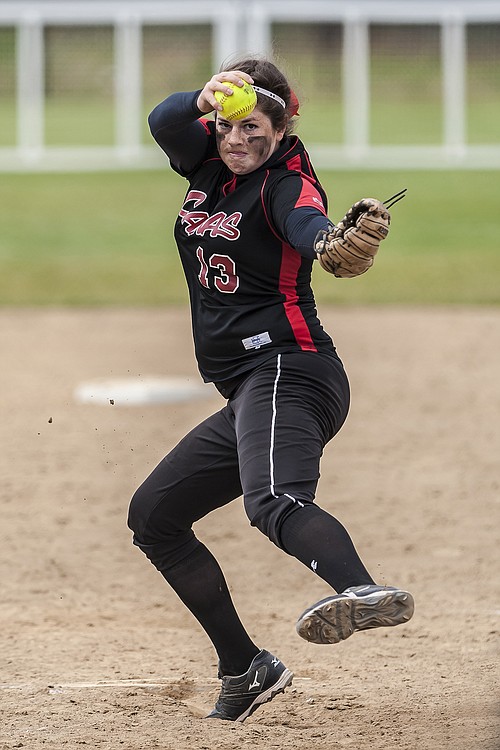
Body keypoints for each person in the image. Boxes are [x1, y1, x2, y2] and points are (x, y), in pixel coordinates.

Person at [128, 55, 414, 723]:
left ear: (284, 127)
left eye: (255, 127)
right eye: (228, 126)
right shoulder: (205, 161)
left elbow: (308, 223)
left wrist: (327, 244)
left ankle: (362, 590)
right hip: (253, 385)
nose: (239, 140)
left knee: (275, 500)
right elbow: (164, 120)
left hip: (290, 366)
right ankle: (245, 665)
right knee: (155, 518)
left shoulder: (286, 182)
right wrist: (203, 100)